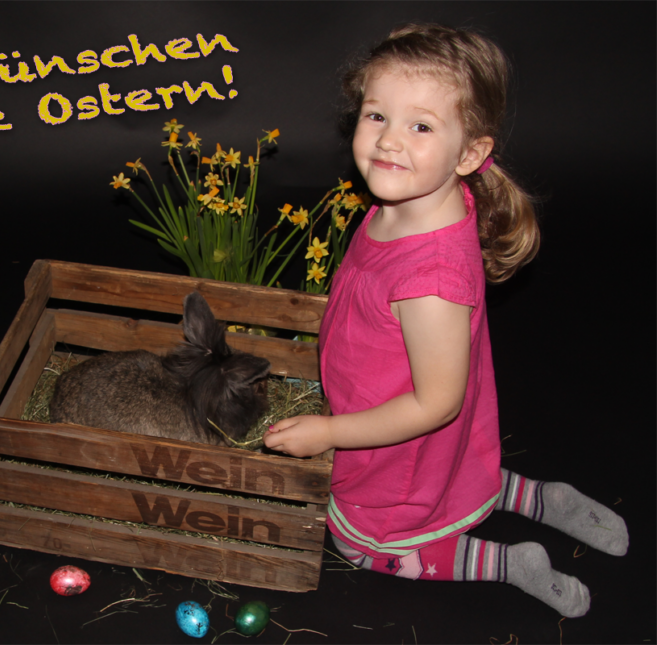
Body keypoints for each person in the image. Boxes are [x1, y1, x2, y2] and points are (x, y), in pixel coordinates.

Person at [263, 24, 627, 617]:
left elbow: (435, 405)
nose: (388, 141)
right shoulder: (410, 198)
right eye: (377, 115)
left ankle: (510, 563)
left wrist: (329, 433)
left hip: (398, 440)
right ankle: (537, 496)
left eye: (421, 126)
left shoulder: (431, 280)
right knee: (453, 468)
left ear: (470, 155)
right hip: (401, 404)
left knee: (362, 547)